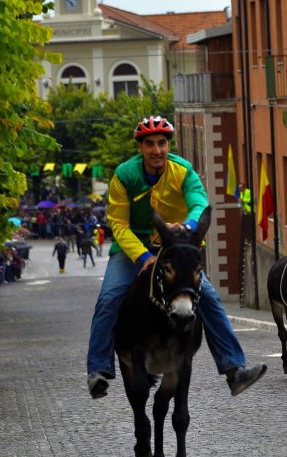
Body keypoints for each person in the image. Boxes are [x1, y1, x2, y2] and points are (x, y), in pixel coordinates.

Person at [86, 115, 267, 399]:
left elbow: (199, 202)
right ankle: (98, 370)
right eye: (150, 144)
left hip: (176, 246)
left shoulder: (183, 171)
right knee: (109, 297)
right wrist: (142, 255)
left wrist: (188, 227)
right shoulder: (123, 175)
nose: (156, 150)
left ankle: (234, 370)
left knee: (208, 297)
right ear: (140, 148)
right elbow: (118, 224)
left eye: (162, 143)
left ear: (169, 144)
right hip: (133, 248)